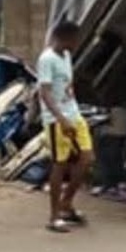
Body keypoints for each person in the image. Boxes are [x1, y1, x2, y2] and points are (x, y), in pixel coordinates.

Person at [36, 20, 94, 233]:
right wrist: (61, 119)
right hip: (56, 120)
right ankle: (53, 217)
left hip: (74, 114)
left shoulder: (67, 56)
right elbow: (44, 93)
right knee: (59, 164)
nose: (77, 44)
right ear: (66, 38)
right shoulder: (47, 59)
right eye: (75, 39)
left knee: (86, 158)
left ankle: (66, 203)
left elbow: (67, 86)